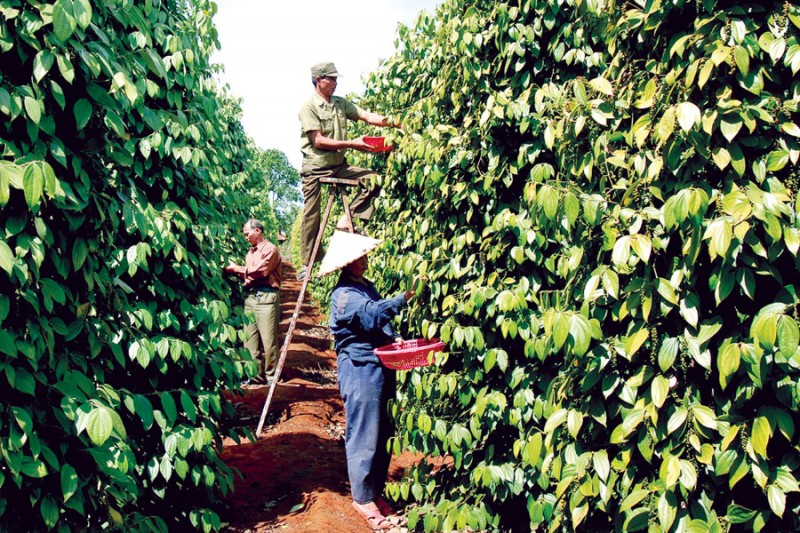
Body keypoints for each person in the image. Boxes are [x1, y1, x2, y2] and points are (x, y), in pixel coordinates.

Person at [319, 231, 414, 531]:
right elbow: (373, 315)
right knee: (364, 434)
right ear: (347, 263)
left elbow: (379, 325)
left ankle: (375, 493)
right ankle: (361, 498)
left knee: (383, 431)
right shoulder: (344, 294)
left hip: (379, 365)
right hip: (360, 370)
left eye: (364, 254)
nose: (365, 260)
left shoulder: (365, 287)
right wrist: (404, 298)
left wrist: (394, 338)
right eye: (359, 256)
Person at [296, 61, 400, 282]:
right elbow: (319, 141)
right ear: (318, 80)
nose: (335, 83)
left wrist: (395, 123)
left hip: (338, 165)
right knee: (312, 214)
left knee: (373, 180)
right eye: (331, 79)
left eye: (336, 79)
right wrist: (352, 143)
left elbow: (367, 116)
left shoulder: (340, 103)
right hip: (315, 166)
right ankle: (306, 262)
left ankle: (347, 217)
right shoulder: (309, 107)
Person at [223, 219, 282, 385]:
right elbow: (249, 274)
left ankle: (272, 378)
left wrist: (236, 269)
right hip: (250, 297)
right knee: (249, 340)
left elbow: (261, 272)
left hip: (266, 298)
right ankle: (254, 376)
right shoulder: (250, 253)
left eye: (247, 234)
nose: (245, 237)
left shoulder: (271, 249)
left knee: (269, 341)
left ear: (258, 231)